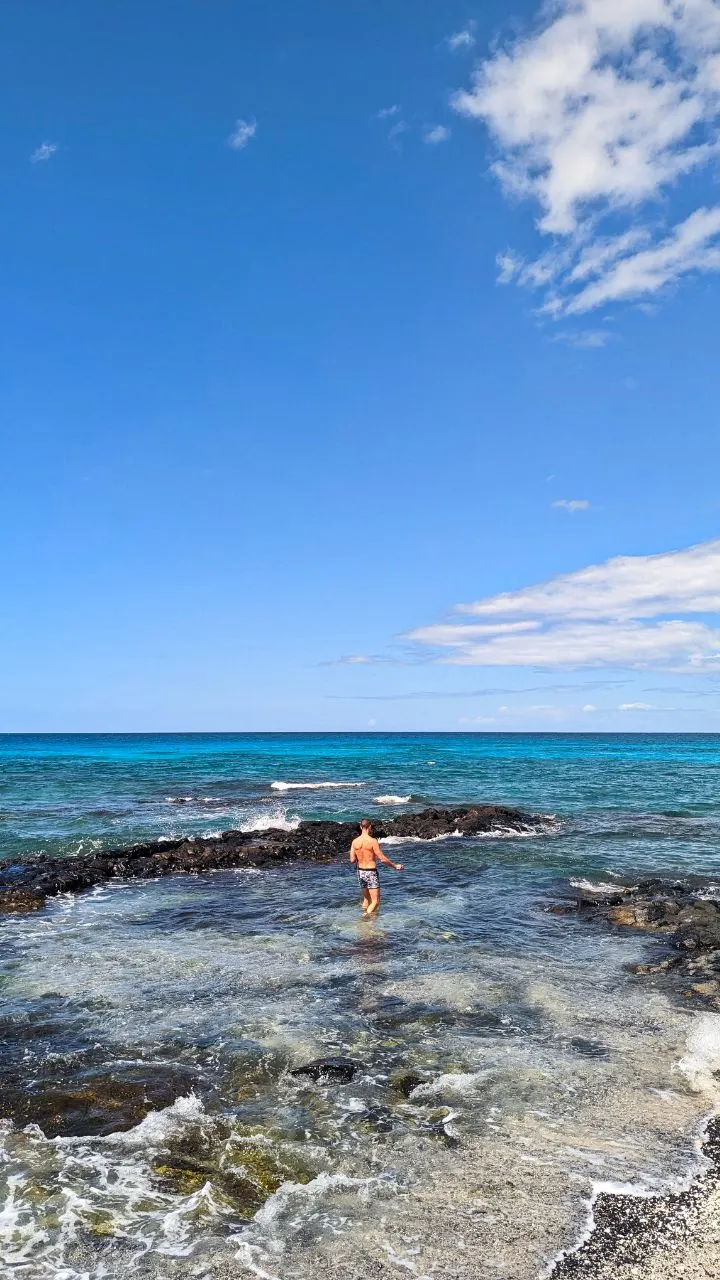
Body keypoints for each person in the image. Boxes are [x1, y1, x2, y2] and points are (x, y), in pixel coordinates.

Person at [349, 818, 403, 917]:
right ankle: (366, 917)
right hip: (371, 872)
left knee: (366, 899)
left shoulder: (354, 842)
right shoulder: (373, 841)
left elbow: (352, 860)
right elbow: (382, 859)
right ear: (369, 827)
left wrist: (360, 856)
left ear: (361, 827)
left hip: (360, 872)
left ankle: (367, 922)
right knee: (376, 901)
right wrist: (395, 866)